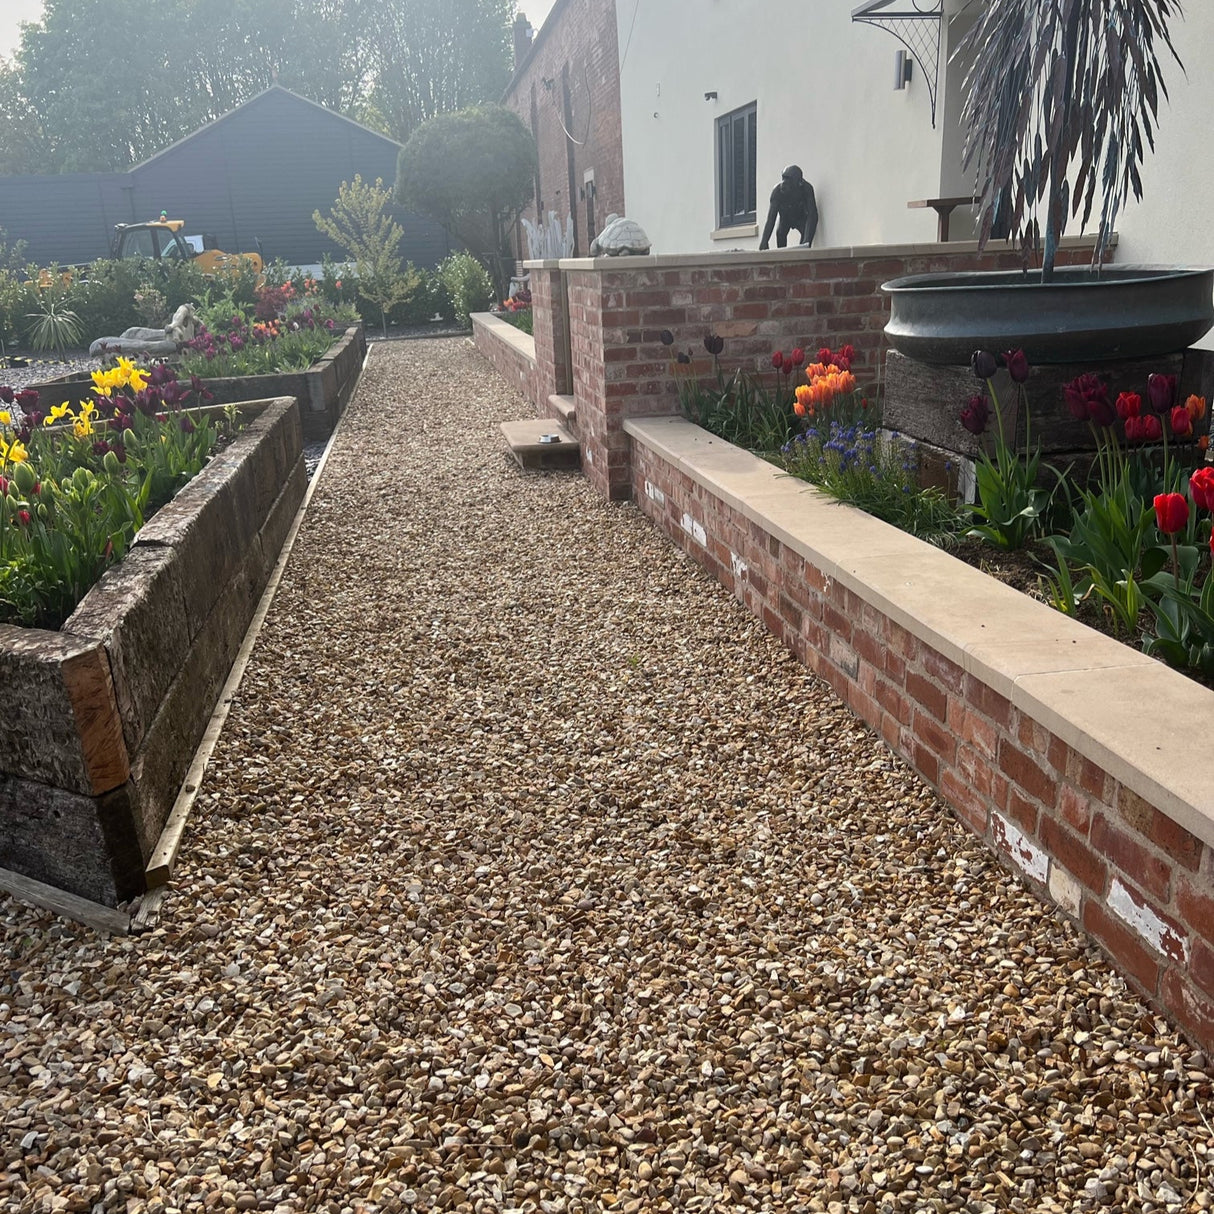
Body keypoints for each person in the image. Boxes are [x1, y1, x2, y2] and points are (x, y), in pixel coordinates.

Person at [759, 165, 818, 250]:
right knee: (780, 233)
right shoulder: (777, 192)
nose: (784, 182)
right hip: (785, 218)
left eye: (788, 180)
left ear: (798, 182)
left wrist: (807, 242)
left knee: (805, 238)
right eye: (783, 178)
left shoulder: (807, 189)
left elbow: (812, 215)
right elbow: (771, 219)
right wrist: (764, 242)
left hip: (800, 217)